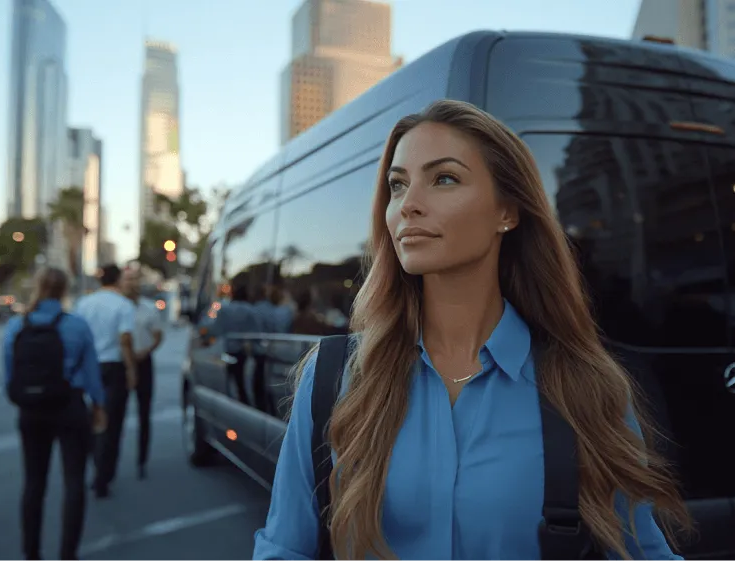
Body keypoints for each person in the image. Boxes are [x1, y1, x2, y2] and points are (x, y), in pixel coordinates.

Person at [253, 100, 692, 561]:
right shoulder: (333, 376)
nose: (408, 205)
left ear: (507, 212)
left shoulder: (583, 386)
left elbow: (642, 552)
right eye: (397, 185)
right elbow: (284, 549)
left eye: (444, 178)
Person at [3, 267, 105, 561]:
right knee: (74, 481)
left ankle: (31, 552)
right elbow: (92, 374)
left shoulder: (16, 326)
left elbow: (10, 375)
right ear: (64, 291)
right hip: (69, 407)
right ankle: (68, 553)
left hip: (31, 411)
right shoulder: (77, 326)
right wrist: (99, 406)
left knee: (34, 483)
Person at [73, 263, 137, 498]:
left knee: (92, 418)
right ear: (118, 279)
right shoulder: (123, 305)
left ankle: (94, 461)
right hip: (113, 367)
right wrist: (131, 370)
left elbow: (77, 336)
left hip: (89, 366)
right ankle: (104, 475)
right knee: (113, 422)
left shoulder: (84, 304)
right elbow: (125, 339)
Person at [120, 267, 163, 479]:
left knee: (144, 414)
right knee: (115, 414)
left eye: (135, 280)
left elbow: (158, 335)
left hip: (143, 361)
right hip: (120, 364)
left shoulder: (149, 308)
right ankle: (107, 462)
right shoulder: (117, 307)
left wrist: (147, 350)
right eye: (128, 279)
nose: (132, 284)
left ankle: (142, 460)